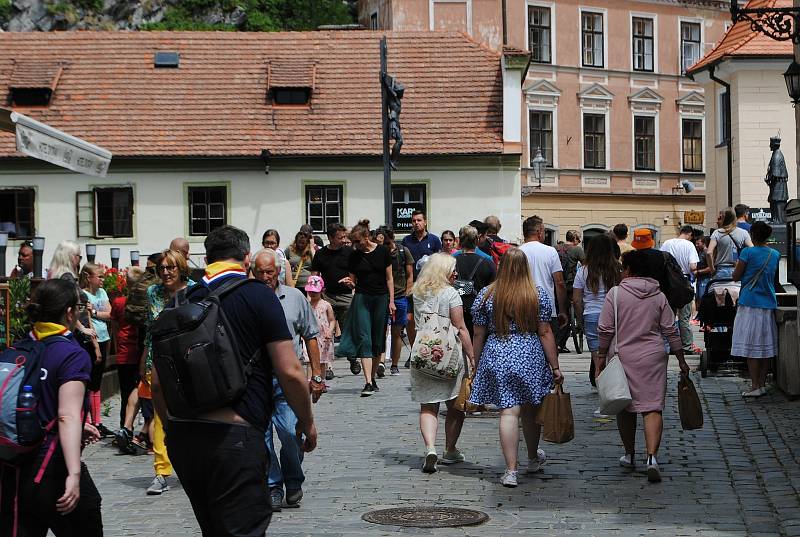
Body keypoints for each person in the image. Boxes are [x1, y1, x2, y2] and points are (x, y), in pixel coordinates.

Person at [151, 225, 317, 536]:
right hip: (235, 435)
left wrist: (172, 430)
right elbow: (291, 371)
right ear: (245, 258)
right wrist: (306, 421)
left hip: (186, 437)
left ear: (207, 257)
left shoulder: (178, 301)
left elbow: (158, 383)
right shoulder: (258, 296)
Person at [0, 278, 103, 536]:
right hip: (52, 465)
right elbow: (66, 415)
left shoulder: (20, 347)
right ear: (69, 312)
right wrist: (75, 474)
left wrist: (81, 426)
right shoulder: (72, 353)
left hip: (14, 465)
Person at [469, 248, 561, 487]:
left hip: (497, 353)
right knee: (531, 410)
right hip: (529, 354)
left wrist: (475, 363)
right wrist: (555, 366)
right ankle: (531, 458)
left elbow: (478, 333)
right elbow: (545, 331)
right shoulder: (537, 294)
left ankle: (510, 470)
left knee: (508, 412)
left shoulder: (487, 295)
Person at [597, 250, 689, 483]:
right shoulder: (659, 296)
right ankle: (652, 458)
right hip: (653, 357)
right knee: (652, 407)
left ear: (628, 270)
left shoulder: (615, 294)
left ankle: (629, 454)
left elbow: (606, 329)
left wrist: (600, 357)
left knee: (624, 405)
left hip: (623, 358)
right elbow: (671, 330)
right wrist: (681, 359)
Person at [251, 248, 323, 511]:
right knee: (261, 438)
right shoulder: (248, 299)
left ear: (279, 271)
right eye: (260, 272)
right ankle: (273, 486)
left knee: (291, 432)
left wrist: (317, 375)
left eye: (270, 272)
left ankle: (293, 481)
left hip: (288, 380)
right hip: (256, 380)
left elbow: (311, 335)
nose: (266, 277)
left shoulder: (294, 298)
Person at [410, 253, 474, 473]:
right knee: (456, 406)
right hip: (449, 354)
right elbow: (461, 327)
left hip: (424, 352)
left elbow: (414, 323)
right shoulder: (451, 293)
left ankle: (430, 447)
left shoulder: (418, 292)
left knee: (428, 406)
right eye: (452, 269)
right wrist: (472, 356)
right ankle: (450, 448)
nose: (456, 273)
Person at [143, 249, 195, 496]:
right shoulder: (153, 293)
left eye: (170, 267)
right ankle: (161, 472)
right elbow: (149, 330)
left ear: (181, 268)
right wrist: (144, 360)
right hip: (159, 361)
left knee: (193, 415)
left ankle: (195, 466)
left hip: (190, 361)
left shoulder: (194, 290)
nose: (165, 272)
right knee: (162, 419)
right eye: (161, 268)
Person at [335, 219, 395, 397]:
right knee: (365, 339)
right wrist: (349, 283)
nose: (355, 245)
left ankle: (373, 378)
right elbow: (353, 281)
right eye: (353, 242)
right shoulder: (354, 256)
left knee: (378, 341)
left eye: (358, 241)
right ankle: (368, 381)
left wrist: (391, 301)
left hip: (381, 298)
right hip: (362, 297)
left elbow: (389, 278)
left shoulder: (383, 252)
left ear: (367, 237)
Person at [731, 221, 780, 397]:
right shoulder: (774, 254)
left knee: (752, 347)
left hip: (750, 302)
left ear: (752, 235)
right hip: (768, 303)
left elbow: (736, 276)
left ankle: (754, 385)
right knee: (765, 347)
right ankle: (763, 383)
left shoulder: (747, 252)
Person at [573, 233, 621, 397]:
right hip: (614, 315)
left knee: (597, 358)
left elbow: (577, 300)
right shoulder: (617, 269)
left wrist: (580, 321)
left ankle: (603, 397)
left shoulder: (583, 271)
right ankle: (616, 391)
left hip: (591, 316)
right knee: (614, 356)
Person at [311, 222, 355, 373]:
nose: (343, 240)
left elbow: (355, 272)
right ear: (330, 238)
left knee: (348, 330)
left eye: (344, 237)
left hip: (346, 296)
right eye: (339, 237)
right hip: (327, 296)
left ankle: (352, 357)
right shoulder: (320, 254)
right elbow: (314, 276)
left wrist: (352, 283)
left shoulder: (349, 252)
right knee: (326, 332)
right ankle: (328, 366)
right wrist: (314, 295)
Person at [79, 263, 113, 438]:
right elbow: (86, 321)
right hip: (92, 340)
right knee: (91, 381)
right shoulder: (83, 295)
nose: (102, 279)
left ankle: (98, 421)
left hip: (104, 336)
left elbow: (110, 313)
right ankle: (90, 421)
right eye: (99, 276)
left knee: (97, 381)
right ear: (88, 277)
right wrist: (95, 345)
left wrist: (95, 313)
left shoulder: (102, 293)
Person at [518, 215, 569, 334]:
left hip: (522, 306)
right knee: (549, 345)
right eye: (544, 231)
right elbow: (559, 283)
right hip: (547, 308)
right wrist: (562, 310)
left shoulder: (518, 252)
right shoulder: (550, 252)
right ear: (539, 232)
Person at [109, 266, 144, 429]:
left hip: (124, 351)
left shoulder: (118, 302)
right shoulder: (145, 301)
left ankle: (125, 427)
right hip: (141, 351)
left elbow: (115, 326)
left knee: (125, 393)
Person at [660, 226, 700, 353]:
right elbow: (693, 266)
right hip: (684, 281)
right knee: (684, 317)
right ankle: (686, 346)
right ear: (689, 234)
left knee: (669, 316)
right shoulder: (689, 245)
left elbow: (661, 261)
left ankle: (670, 345)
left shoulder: (667, 243)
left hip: (669, 282)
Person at [453, 225, 496, 337]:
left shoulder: (450, 262)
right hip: (480, 312)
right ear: (476, 240)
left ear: (460, 241)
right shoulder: (488, 263)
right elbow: (493, 292)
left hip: (456, 311)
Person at [384, 227, 414, 376]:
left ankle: (394, 364)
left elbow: (410, 274)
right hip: (382, 296)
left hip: (400, 296)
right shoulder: (379, 252)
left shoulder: (403, 251)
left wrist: (408, 292)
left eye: (387, 242)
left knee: (397, 332)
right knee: (382, 331)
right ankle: (381, 361)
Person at [556, 230, 584, 351]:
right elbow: (586, 264)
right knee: (570, 311)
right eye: (579, 239)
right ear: (575, 239)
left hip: (556, 285)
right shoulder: (577, 249)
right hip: (571, 285)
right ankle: (578, 326)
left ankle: (556, 341)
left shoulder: (555, 248)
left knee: (558, 311)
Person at [707, 208, 753, 280]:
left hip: (720, 270)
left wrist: (712, 270)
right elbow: (752, 250)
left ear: (724, 219)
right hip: (737, 269)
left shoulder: (717, 233)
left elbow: (709, 252)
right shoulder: (743, 233)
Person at [305, 276, 335, 382]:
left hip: (323, 336)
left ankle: (321, 381)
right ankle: (310, 379)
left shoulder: (326, 305)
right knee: (309, 359)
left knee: (322, 360)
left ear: (322, 291)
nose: (312, 294)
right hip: (309, 335)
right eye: (310, 292)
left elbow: (332, 320)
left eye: (315, 292)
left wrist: (330, 331)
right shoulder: (306, 305)